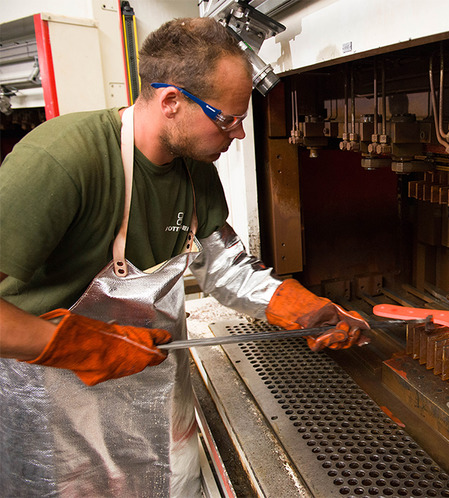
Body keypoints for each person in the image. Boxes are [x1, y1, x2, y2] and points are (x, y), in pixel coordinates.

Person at [0, 17, 367, 497]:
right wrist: (74, 344)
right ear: (171, 100)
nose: (238, 135)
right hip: (57, 414)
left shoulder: (195, 172)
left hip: (154, 395)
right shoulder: (62, 161)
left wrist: (298, 307)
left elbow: (226, 269)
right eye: (227, 119)